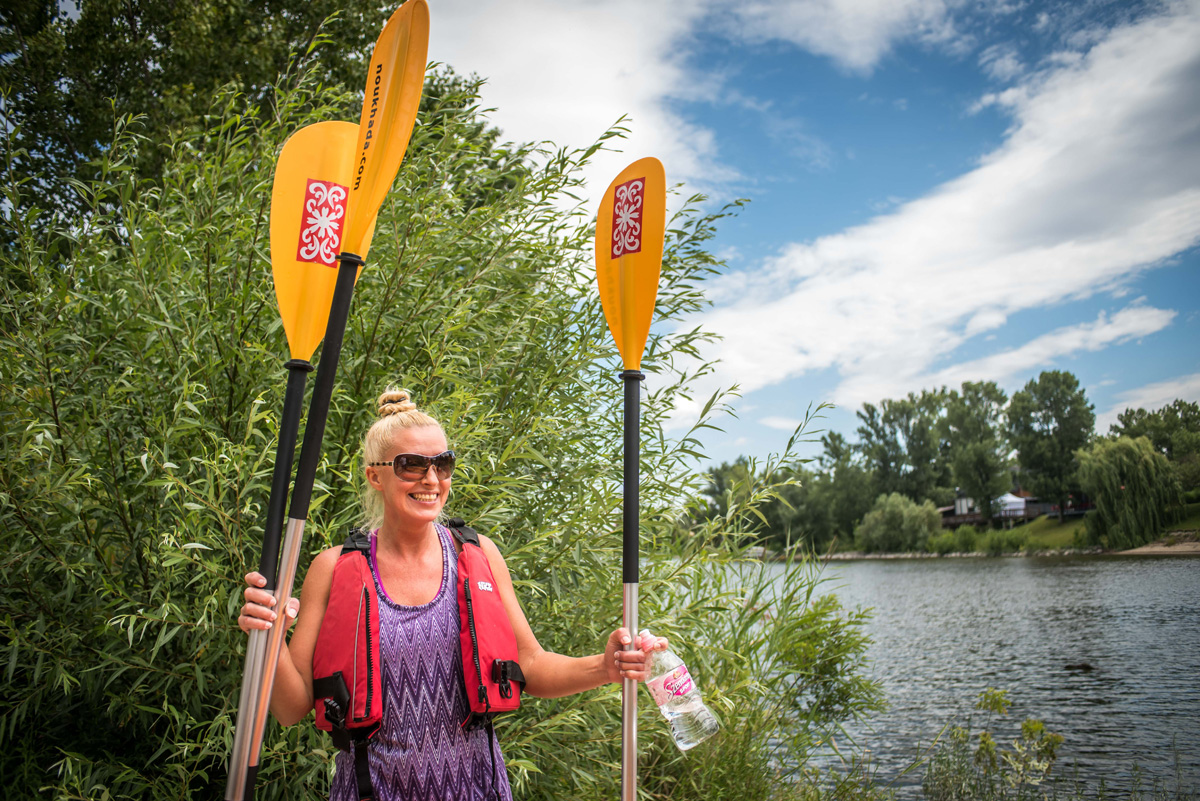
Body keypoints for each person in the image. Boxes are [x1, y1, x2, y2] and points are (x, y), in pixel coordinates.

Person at [239, 388, 665, 801]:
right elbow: (290, 709)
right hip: (370, 792)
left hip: (478, 789)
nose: (431, 479)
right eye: (411, 465)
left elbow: (530, 664)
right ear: (375, 475)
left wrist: (604, 667)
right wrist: (269, 636)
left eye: (442, 464)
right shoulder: (332, 568)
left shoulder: (478, 554)